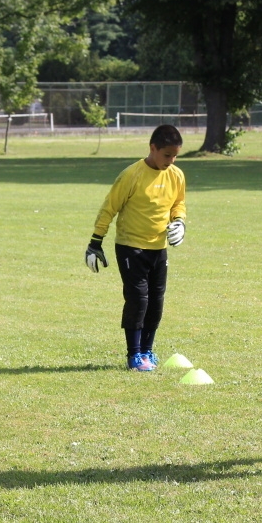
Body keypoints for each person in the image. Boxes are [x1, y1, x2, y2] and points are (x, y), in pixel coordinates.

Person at [84, 125, 188, 371]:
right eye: (166, 155)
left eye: (175, 156)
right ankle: (133, 355)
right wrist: (95, 243)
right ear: (152, 148)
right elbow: (109, 208)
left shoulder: (176, 175)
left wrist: (180, 222)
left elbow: (178, 203)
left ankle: (147, 352)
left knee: (156, 302)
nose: (171, 161)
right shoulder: (131, 175)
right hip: (131, 248)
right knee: (138, 300)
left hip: (158, 248)